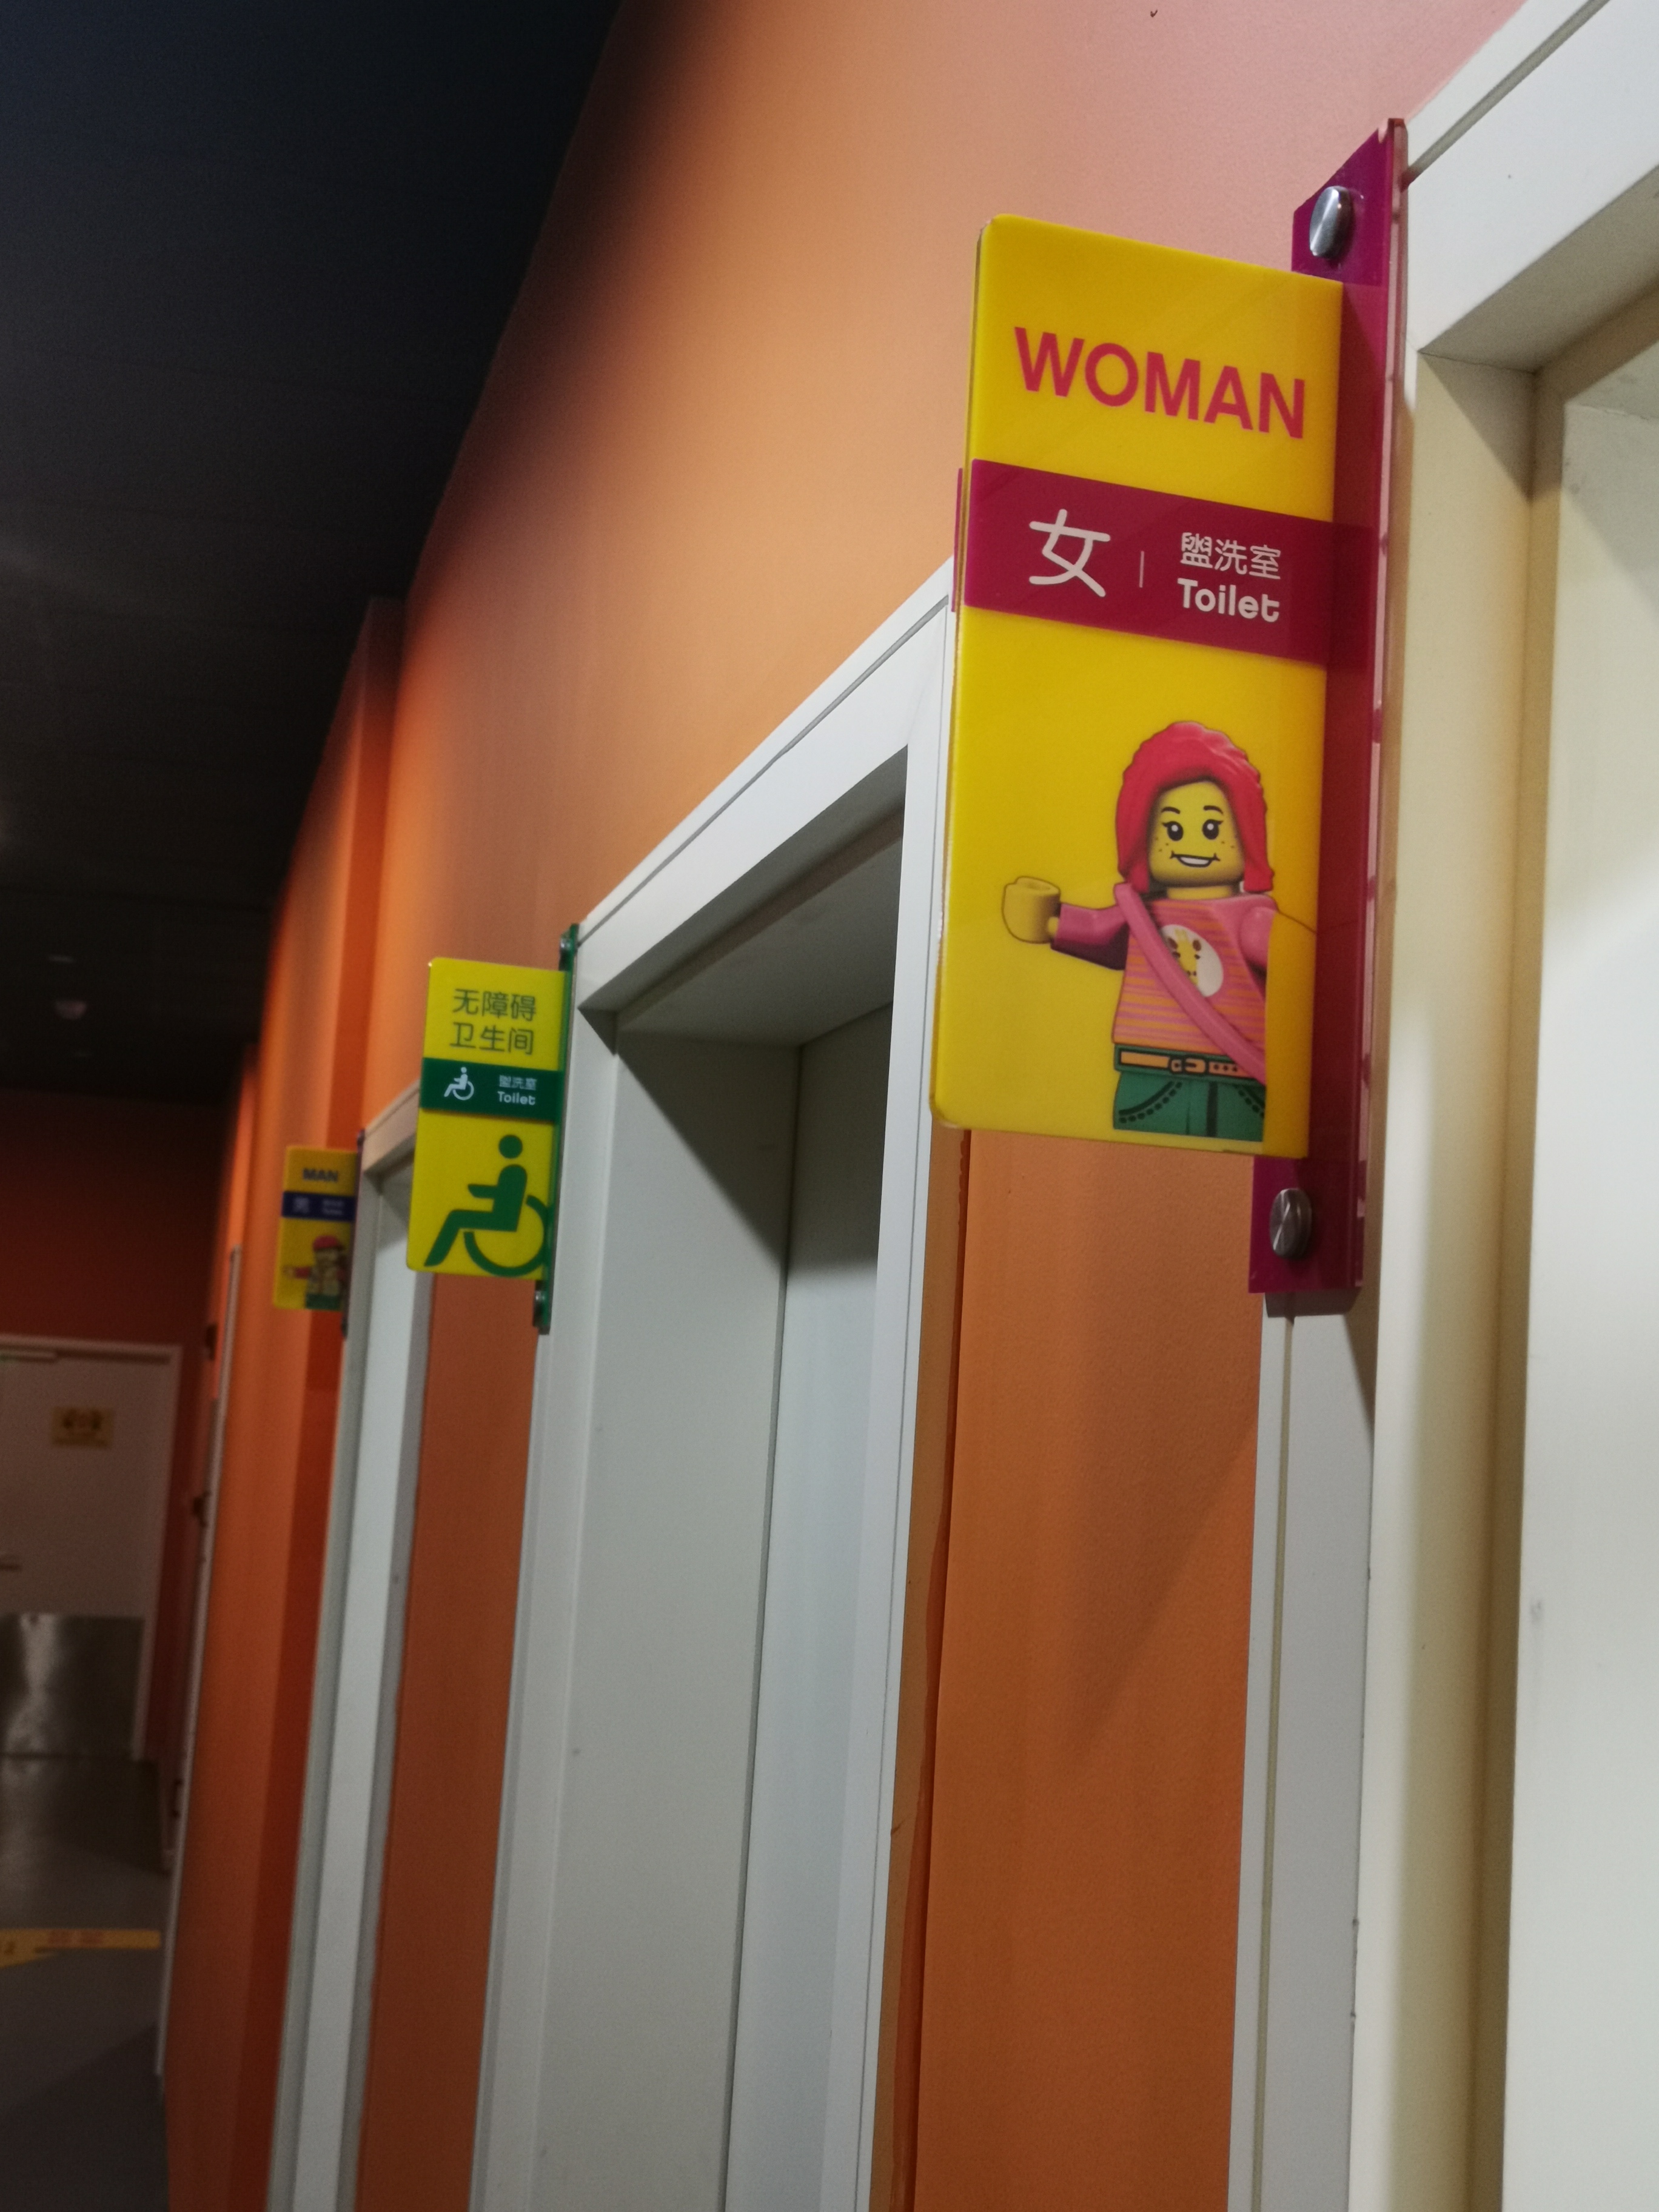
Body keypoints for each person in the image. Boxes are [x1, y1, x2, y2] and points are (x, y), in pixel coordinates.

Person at [1003, 720, 1276, 1141]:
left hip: (1233, 1082)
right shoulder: (1141, 916)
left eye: (1212, 828)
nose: (1193, 844)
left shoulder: (1251, 917)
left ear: (1247, 832)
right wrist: (1044, 922)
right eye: (1172, 829)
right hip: (1148, 1078)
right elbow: (1099, 932)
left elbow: (1297, 972)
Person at [423, 1133, 530, 1265]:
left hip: (503, 1218)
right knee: (456, 1216)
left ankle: (436, 1257)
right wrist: (480, 1191)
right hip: (500, 1214)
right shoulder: (513, 1170)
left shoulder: (514, 1171)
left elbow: (506, 1195)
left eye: (505, 1146)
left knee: (456, 1217)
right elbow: (503, 1193)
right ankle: (436, 1257)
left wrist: (481, 1192)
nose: (502, 1149)